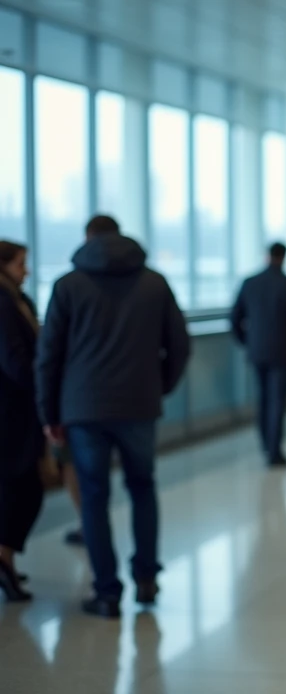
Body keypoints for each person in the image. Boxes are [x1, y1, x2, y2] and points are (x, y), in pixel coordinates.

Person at [36, 216, 191, 619]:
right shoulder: (155, 283)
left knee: (93, 496)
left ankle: (107, 593)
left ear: (88, 239)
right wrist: (161, 385)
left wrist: (49, 413)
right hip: (139, 404)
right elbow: (179, 343)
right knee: (142, 487)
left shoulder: (67, 285)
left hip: (83, 409)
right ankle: (145, 577)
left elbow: (48, 356)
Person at [231, 243, 286, 467]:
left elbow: (234, 318)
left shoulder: (250, 283)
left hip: (258, 352)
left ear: (267, 256)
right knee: (278, 401)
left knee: (263, 399)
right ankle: (274, 451)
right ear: (284, 257)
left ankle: (266, 444)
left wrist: (247, 342)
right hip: (285, 353)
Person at [0, 241, 42, 602]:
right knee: (21, 485)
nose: (25, 270)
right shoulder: (4, 302)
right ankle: (5, 558)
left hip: (17, 407)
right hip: (11, 408)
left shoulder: (17, 299)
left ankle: (6, 558)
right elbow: (14, 358)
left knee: (19, 485)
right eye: (20, 264)